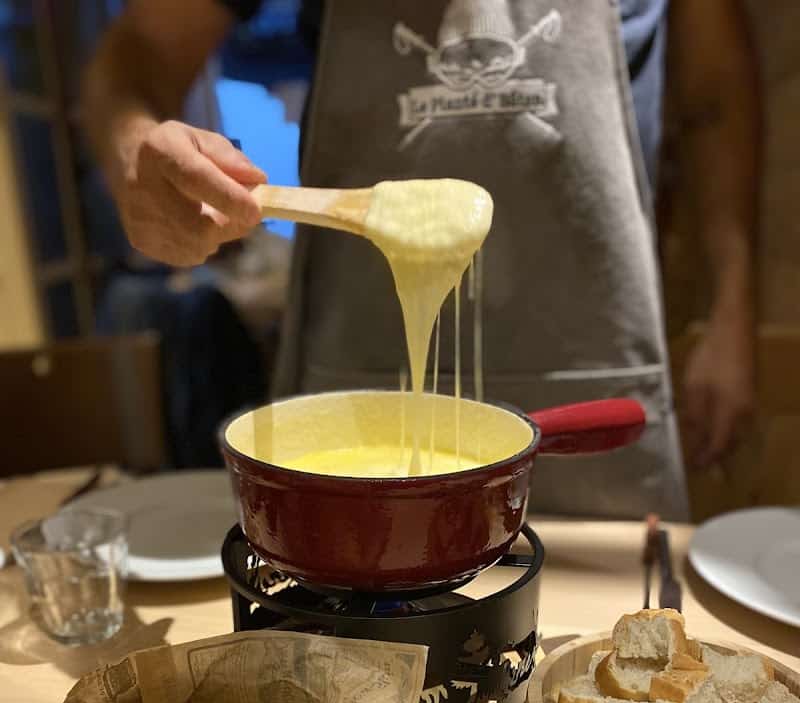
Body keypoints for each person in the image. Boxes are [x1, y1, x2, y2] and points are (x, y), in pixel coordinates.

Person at [82, 0, 760, 520]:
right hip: (356, 374)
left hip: (594, 388)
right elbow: (139, 50)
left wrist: (733, 307)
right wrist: (134, 147)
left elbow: (714, 97)